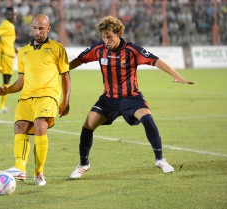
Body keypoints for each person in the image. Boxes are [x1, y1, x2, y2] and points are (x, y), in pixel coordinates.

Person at [69, 16, 194, 179]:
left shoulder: (132, 50)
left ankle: (160, 160)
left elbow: (156, 61)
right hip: (108, 99)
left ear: (118, 33)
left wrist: (178, 77)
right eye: (104, 37)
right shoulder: (98, 49)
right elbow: (79, 60)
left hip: (132, 98)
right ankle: (83, 164)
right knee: (88, 125)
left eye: (110, 37)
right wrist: (60, 70)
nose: (106, 41)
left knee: (148, 119)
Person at [0, 14, 71, 186]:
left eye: (41, 28)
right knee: (19, 126)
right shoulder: (23, 52)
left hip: (48, 95)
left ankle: (39, 173)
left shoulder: (57, 48)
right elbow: (21, 81)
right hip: (27, 96)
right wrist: (7, 89)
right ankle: (20, 168)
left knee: (40, 125)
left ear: (48, 28)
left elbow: (66, 76)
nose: (38, 31)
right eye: (35, 28)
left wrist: (65, 101)